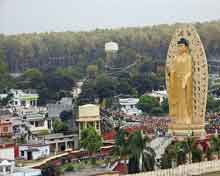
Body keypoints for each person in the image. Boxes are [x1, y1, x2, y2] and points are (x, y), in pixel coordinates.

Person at [167, 38, 193, 125]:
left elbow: (189, 71)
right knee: (177, 101)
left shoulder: (188, 58)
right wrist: (170, 72)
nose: (179, 48)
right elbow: (173, 70)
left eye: (181, 46)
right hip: (176, 82)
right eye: (178, 46)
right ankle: (178, 118)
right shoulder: (176, 58)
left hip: (185, 82)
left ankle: (186, 117)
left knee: (184, 100)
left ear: (186, 47)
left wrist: (185, 79)